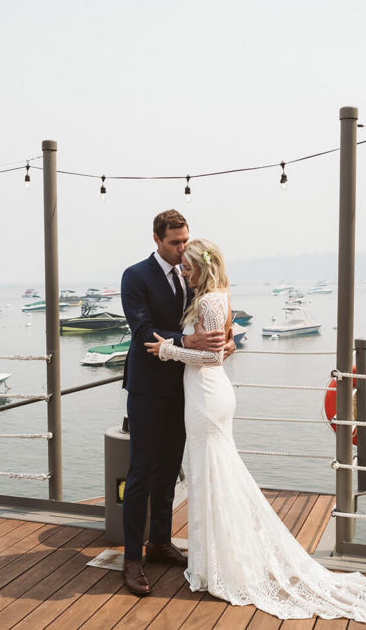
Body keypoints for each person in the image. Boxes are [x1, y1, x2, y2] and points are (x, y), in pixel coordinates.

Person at [145, 239, 366, 623]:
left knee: (212, 475)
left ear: (201, 268)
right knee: (216, 475)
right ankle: (219, 558)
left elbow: (210, 356)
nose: (184, 273)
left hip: (206, 394)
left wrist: (168, 351)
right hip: (213, 393)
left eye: (188, 268)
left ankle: (217, 564)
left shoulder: (206, 302)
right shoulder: (221, 295)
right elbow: (225, 351)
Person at [119, 210, 230, 597]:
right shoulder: (135, 276)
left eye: (185, 241)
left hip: (187, 389)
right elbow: (141, 330)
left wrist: (224, 344)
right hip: (147, 390)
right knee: (140, 473)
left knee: (169, 471)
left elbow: (213, 324)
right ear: (156, 239)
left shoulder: (193, 274)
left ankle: (160, 543)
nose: (182, 249)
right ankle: (132, 557)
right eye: (174, 242)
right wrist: (185, 343)